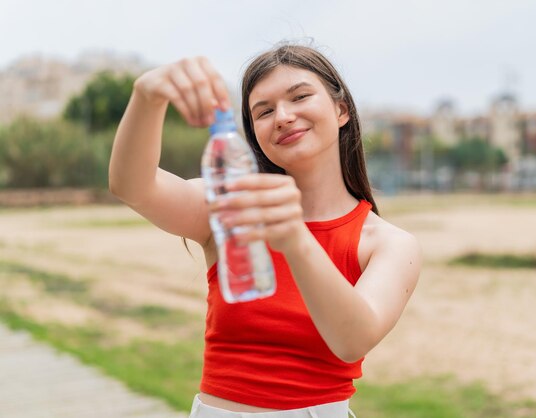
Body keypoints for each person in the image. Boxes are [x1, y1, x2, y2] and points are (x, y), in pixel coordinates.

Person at [109, 43, 421, 418]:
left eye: (300, 96)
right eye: (265, 111)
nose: (283, 117)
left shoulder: (388, 244)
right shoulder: (231, 207)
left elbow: (351, 341)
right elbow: (132, 185)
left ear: (341, 110)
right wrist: (147, 95)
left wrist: (294, 238)